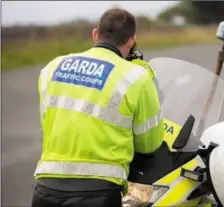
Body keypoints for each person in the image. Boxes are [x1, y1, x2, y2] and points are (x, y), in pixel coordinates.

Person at [31, 8, 164, 207]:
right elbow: (149, 144)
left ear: (95, 34)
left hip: (45, 188)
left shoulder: (52, 67)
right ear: (131, 40)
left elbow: (47, 122)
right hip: (98, 193)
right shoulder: (136, 76)